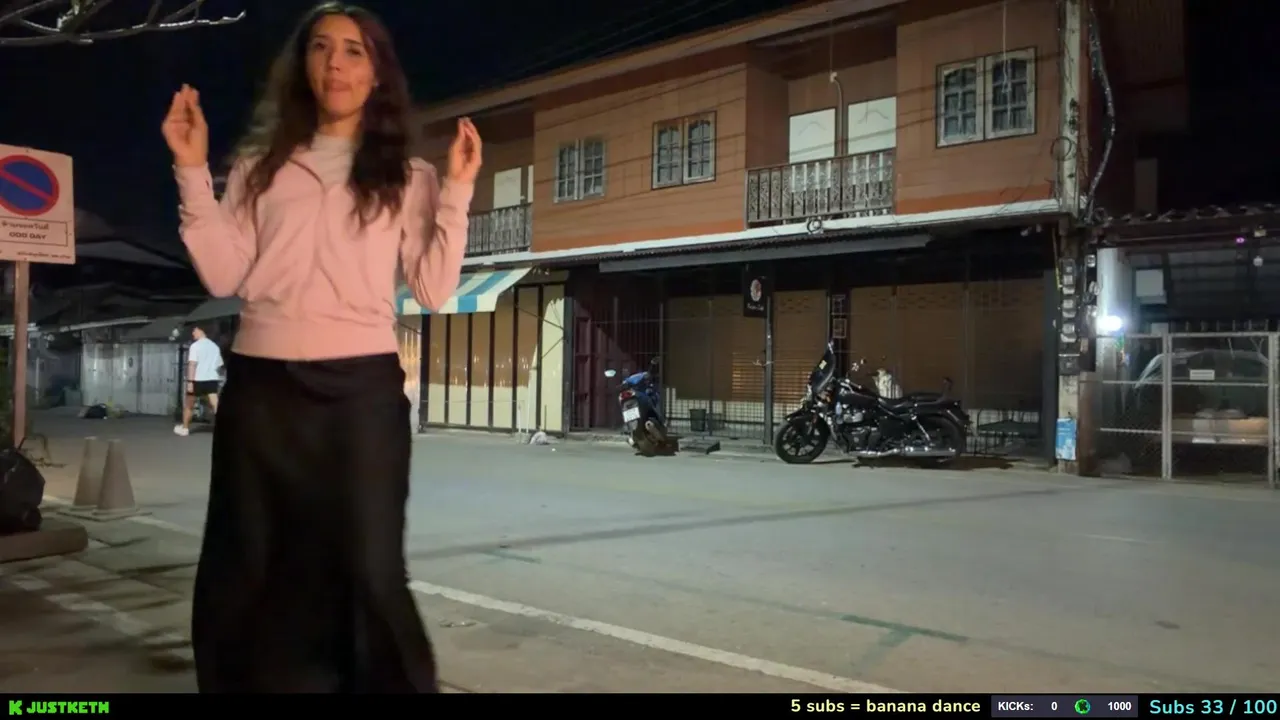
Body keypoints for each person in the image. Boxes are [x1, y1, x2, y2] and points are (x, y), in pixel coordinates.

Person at [160, 1, 481, 693]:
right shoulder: (259, 168)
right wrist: (191, 169)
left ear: (376, 74)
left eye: (354, 50)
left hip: (361, 394)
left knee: (369, 564)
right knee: (251, 562)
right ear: (303, 66)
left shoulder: (408, 175)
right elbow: (223, 274)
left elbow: (432, 289)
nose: (336, 63)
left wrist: (458, 190)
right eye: (321, 47)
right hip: (262, 392)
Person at [174, 325, 224, 437]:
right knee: (216, 405)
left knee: (189, 405)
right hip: (212, 378)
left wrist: (190, 382)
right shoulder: (215, 346)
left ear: (201, 330)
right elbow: (219, 365)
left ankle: (185, 428)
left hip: (197, 379)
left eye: (194, 331)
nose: (193, 333)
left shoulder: (195, 346)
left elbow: (192, 364)